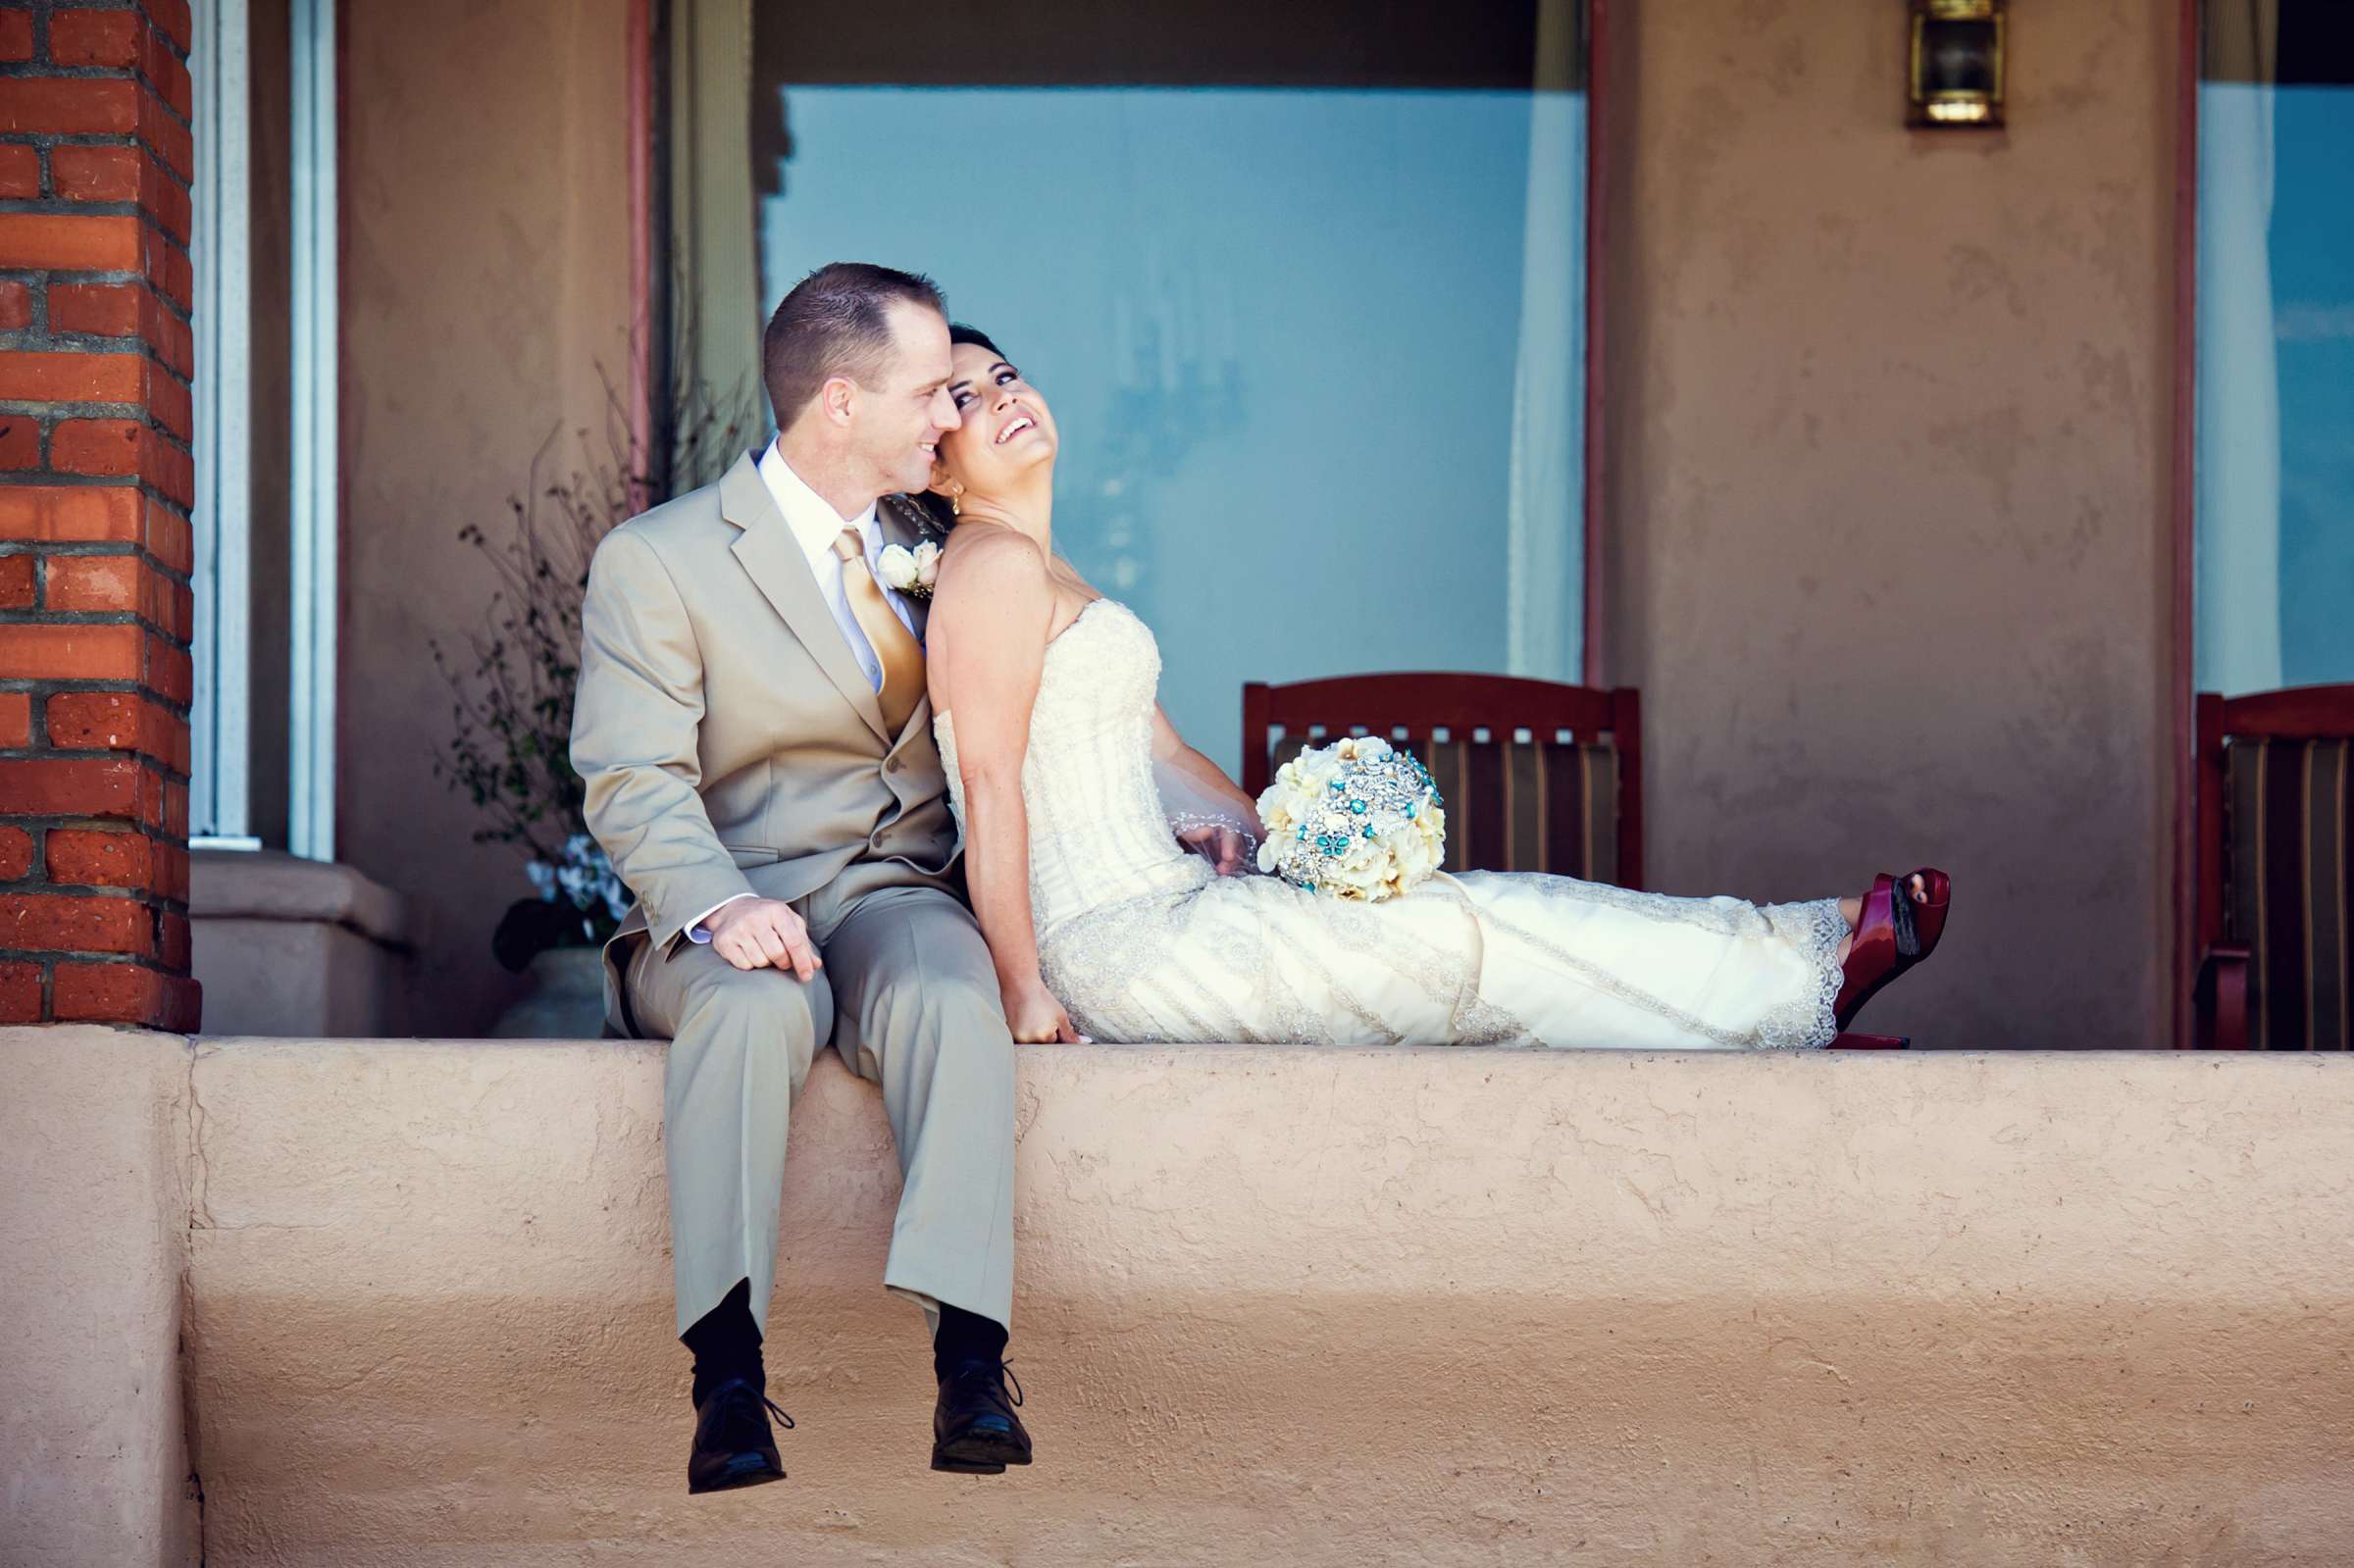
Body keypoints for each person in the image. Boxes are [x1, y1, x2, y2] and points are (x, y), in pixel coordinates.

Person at [920, 326, 1951, 1052]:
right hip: (1125, 952)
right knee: (1469, 938)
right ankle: (1797, 983)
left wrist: (1276, 846)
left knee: (1471, 914)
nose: (1004, 396)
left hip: (1180, 907)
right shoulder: (992, 570)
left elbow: (1168, 755)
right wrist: (1022, 984)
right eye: (964, 396)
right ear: (936, 464)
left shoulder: (1052, 573)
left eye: (1007, 373)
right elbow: (991, 782)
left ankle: (1785, 995)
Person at [572, 265, 1032, 1492]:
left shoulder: (942, 540)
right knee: (754, 1007)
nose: (955, 413)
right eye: (934, 390)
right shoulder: (658, 560)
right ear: (840, 402)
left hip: (891, 896)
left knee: (950, 994)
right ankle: (726, 1379)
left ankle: (972, 1363)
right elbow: (631, 776)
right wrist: (722, 905)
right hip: (729, 903)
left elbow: (1040, 709)